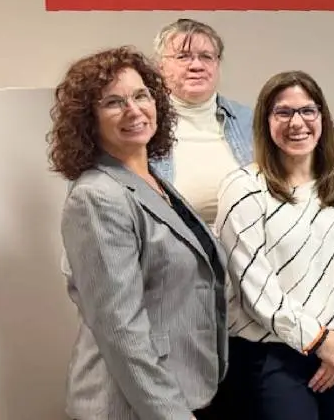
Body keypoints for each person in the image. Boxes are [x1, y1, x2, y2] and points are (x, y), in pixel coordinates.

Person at [49, 46, 227, 420]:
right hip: (132, 404)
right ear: (88, 120)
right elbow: (120, 330)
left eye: (140, 95)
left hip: (181, 386)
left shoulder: (151, 181)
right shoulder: (97, 196)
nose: (133, 110)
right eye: (113, 102)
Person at [216, 71, 334, 420]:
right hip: (276, 354)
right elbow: (254, 288)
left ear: (322, 117)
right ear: (265, 120)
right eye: (283, 112)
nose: (298, 123)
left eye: (308, 111)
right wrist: (320, 341)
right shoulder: (244, 188)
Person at [151, 18, 254, 227]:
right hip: (174, 247)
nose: (197, 65)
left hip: (243, 245)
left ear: (217, 65)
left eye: (206, 57)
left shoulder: (249, 120)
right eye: (183, 57)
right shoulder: (143, 124)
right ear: (160, 66)